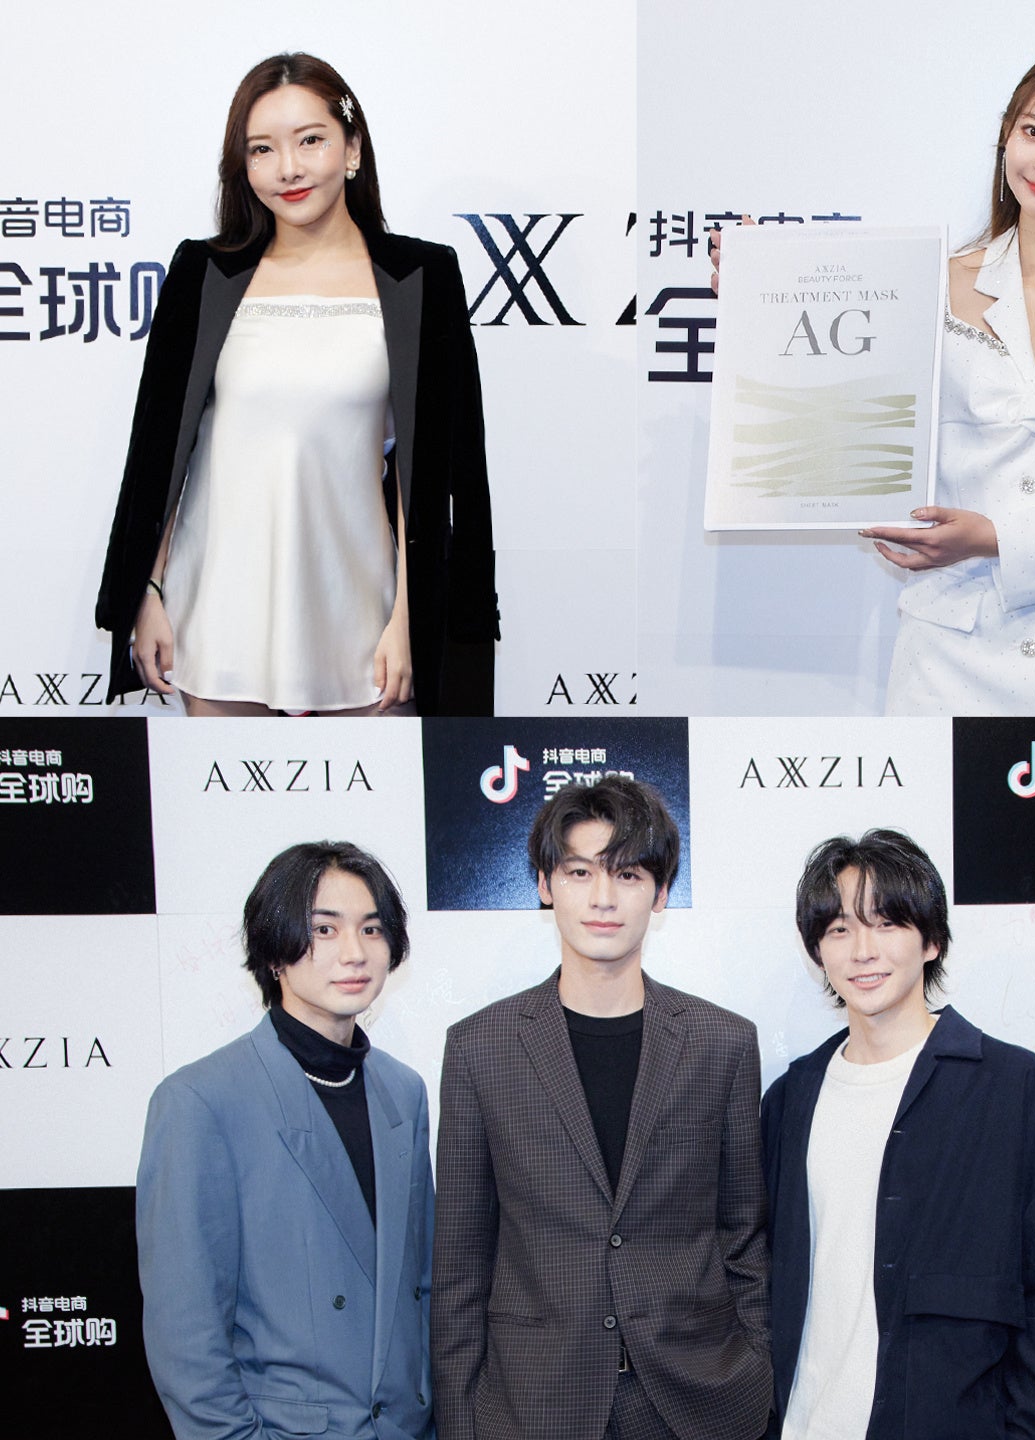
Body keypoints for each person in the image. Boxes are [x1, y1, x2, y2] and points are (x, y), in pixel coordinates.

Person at [712, 47, 1035, 715]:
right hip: (949, 655)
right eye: (1033, 131)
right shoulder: (921, 285)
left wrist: (994, 535)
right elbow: (843, 424)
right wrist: (762, 296)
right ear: (1006, 136)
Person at [94, 52, 497, 716]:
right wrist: (150, 592)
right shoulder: (203, 275)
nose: (288, 168)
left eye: (310, 140)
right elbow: (162, 452)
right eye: (262, 149)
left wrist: (409, 617)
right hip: (215, 612)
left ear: (352, 148)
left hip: (363, 614)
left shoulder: (419, 279)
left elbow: (432, 473)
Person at [433, 776, 770, 1440]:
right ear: (545, 884)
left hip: (695, 1405)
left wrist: (758, 1368)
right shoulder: (479, 1047)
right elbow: (460, 1264)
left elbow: (744, 1235)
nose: (603, 898)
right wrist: (459, 1421)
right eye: (580, 872)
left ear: (661, 892)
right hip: (533, 1409)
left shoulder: (723, 1042)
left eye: (628, 873)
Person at [760, 830, 1035, 1439]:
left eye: (886, 923)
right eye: (839, 929)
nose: (863, 951)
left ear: (932, 940)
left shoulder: (1015, 1090)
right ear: (819, 951)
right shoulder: (791, 1099)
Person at [137, 841, 434, 1439]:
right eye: (324, 929)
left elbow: (421, 1286)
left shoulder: (403, 1092)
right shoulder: (201, 1100)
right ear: (275, 951)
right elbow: (186, 1333)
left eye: (371, 929)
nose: (354, 952)